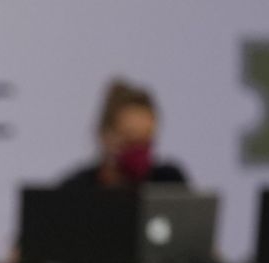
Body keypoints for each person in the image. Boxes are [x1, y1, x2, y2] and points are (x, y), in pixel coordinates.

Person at [54, 78, 189, 195]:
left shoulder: (169, 186)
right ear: (105, 136)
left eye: (146, 142)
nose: (139, 150)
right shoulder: (74, 192)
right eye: (130, 141)